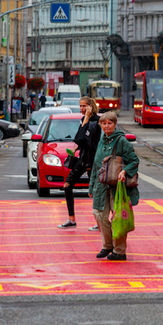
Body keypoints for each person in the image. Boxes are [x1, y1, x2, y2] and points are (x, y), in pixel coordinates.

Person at [89, 111, 139, 260]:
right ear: (100, 125)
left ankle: (119, 251)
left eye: (109, 123)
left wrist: (124, 171)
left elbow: (134, 161)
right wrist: (91, 186)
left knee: (118, 218)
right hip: (101, 186)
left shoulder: (121, 141)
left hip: (117, 186)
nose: (106, 126)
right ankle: (107, 246)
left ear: (115, 124)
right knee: (99, 214)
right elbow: (96, 166)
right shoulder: (101, 141)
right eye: (104, 123)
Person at [58, 97, 102, 229]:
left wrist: (87, 118)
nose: (82, 109)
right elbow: (79, 139)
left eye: (84, 106)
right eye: (80, 106)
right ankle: (71, 219)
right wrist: (76, 148)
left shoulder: (96, 121)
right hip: (82, 158)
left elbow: (83, 139)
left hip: (92, 160)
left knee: (95, 190)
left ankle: (100, 221)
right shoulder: (84, 119)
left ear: (90, 106)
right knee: (67, 185)